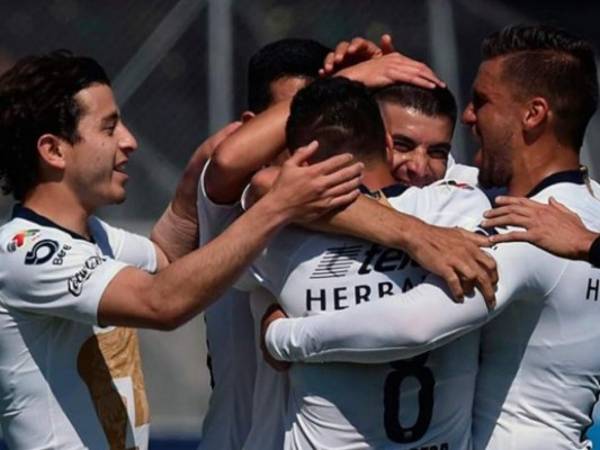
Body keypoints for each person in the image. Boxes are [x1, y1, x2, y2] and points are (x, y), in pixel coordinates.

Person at [0, 50, 361, 449]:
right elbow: (161, 302)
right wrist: (278, 206)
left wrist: (200, 173)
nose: (129, 141)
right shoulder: (22, 253)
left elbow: (166, 259)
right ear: (53, 150)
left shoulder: (96, 237)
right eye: (109, 127)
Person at [262, 25, 600, 449]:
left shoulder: (525, 229)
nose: (470, 117)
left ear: (533, 114)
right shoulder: (588, 210)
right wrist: (375, 96)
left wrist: (282, 338)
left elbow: (415, 325)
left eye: (483, 101)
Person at [245, 76, 492, 449]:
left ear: (303, 161)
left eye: (437, 152)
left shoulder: (279, 236)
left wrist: (275, 329)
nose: (419, 167)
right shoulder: (460, 210)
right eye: (403, 145)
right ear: (385, 144)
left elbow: (252, 180)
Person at [197, 37, 335, 450]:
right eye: (293, 122)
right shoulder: (232, 204)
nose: (309, 143)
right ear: (253, 125)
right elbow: (226, 161)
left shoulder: (348, 197)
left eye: (324, 121)